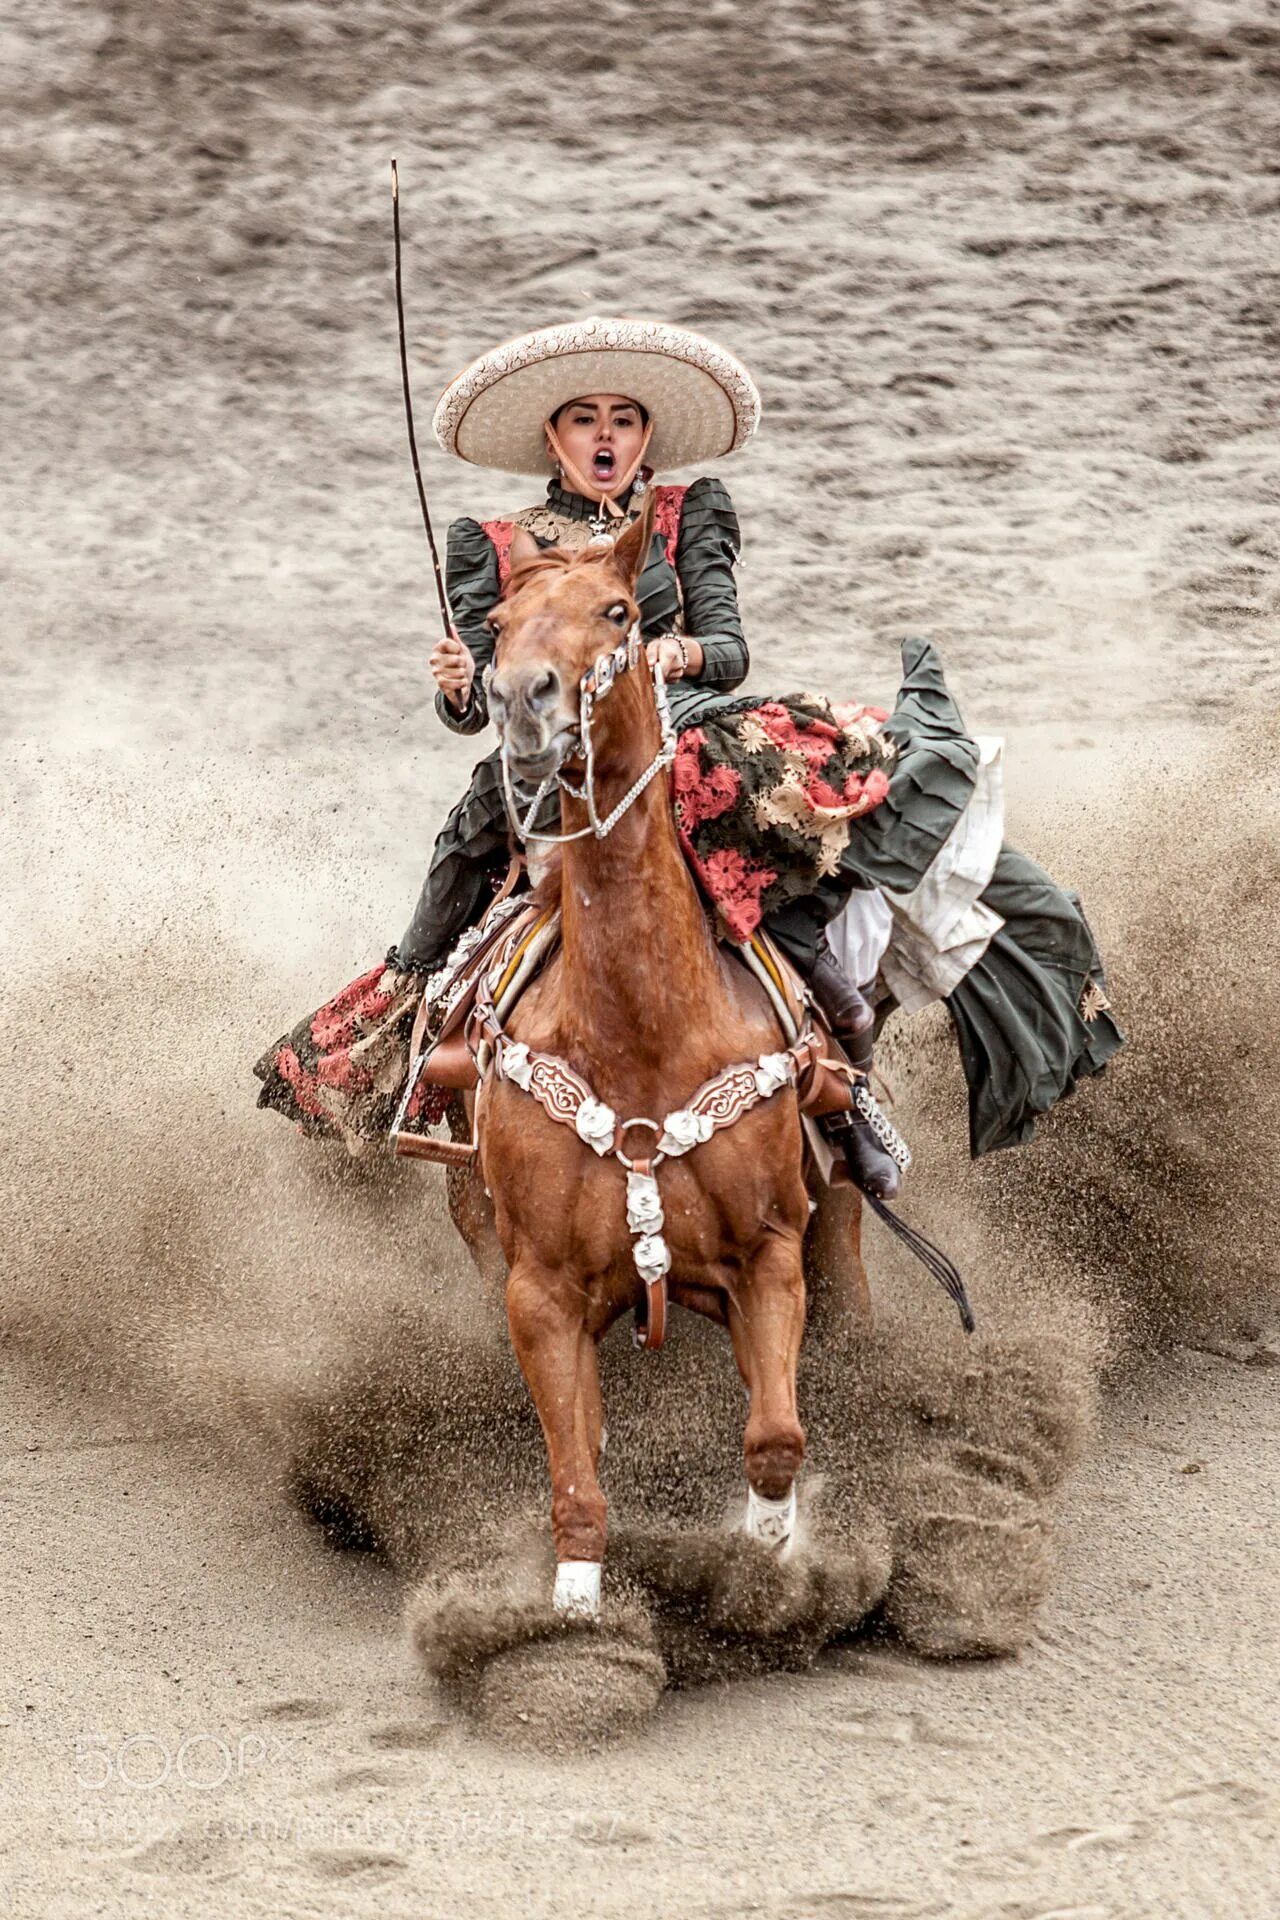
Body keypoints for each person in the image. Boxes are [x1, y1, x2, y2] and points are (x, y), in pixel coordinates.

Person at [255, 317, 1121, 1194]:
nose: (605, 436)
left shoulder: (686, 512)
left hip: (688, 721)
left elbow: (731, 648)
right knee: (455, 884)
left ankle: (840, 1073)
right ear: (552, 437)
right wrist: (456, 691)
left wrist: (675, 655)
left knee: (830, 804)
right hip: (554, 754)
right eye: (584, 418)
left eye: (623, 419)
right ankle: (409, 1042)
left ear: (645, 435)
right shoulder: (491, 539)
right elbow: (491, 700)